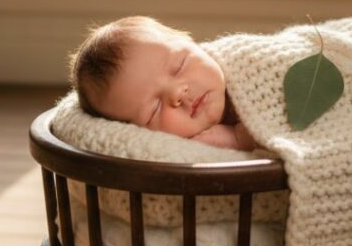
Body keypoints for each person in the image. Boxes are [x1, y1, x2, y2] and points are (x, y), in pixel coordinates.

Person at [69, 16, 257, 150]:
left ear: (191, 42)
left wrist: (241, 138)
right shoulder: (187, 150)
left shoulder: (249, 64)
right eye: (154, 109)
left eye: (179, 66)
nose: (177, 93)